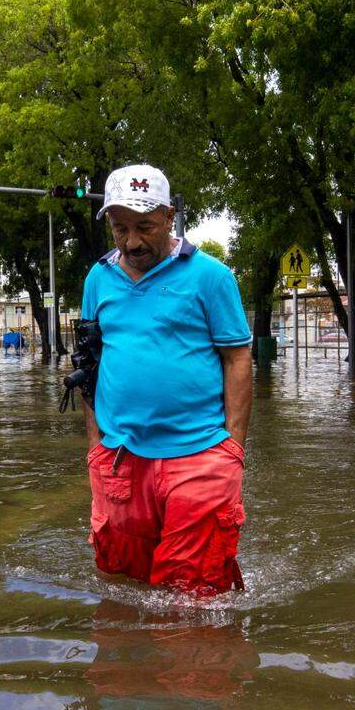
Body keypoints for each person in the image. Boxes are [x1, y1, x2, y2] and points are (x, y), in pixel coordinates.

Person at [80, 163, 253, 596]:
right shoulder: (98, 279)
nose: (133, 241)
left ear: (170, 217)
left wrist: (232, 448)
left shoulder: (210, 276)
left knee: (194, 599)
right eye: (120, 229)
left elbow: (237, 358)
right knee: (120, 590)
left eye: (145, 227)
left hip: (201, 457)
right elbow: (88, 362)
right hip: (119, 459)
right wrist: (95, 450)